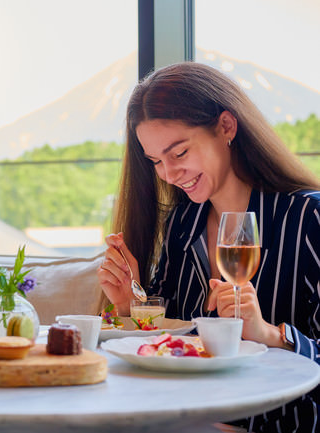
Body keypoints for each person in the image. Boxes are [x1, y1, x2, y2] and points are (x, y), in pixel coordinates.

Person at [97, 62, 320, 432]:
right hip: (189, 417)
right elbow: (171, 342)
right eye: (156, 161)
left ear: (226, 127)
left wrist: (267, 334)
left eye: (179, 153)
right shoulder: (182, 224)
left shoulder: (309, 217)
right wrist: (129, 302)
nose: (168, 174)